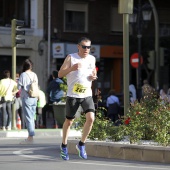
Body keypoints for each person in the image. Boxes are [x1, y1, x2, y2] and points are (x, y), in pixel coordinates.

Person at [58, 37, 97, 160]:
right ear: (78, 46)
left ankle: (81, 144)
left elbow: (93, 73)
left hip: (86, 94)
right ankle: (64, 146)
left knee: (91, 118)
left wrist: (93, 76)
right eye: (84, 46)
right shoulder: (71, 57)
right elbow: (60, 74)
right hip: (73, 95)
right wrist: (71, 68)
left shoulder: (92, 59)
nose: (87, 49)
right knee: (69, 121)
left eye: (89, 47)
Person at [17, 59, 38, 144]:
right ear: (31, 66)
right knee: (32, 117)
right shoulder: (34, 74)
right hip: (34, 97)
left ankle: (30, 137)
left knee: (28, 117)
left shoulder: (23, 75)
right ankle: (31, 136)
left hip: (27, 97)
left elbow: (19, 87)